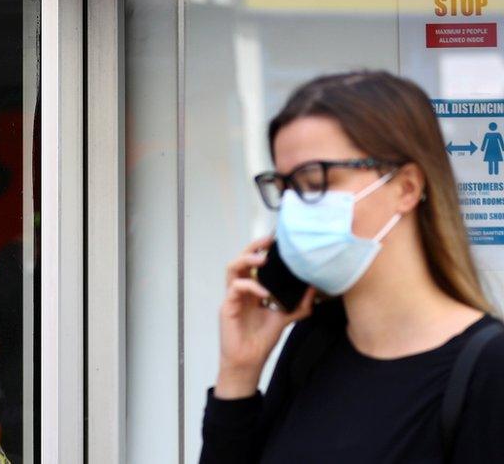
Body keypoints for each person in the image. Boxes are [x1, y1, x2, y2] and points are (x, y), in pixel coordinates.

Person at [199, 70, 504, 464]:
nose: (294, 207)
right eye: (285, 186)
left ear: (406, 187)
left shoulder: (488, 369)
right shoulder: (313, 343)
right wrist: (239, 371)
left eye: (315, 181)